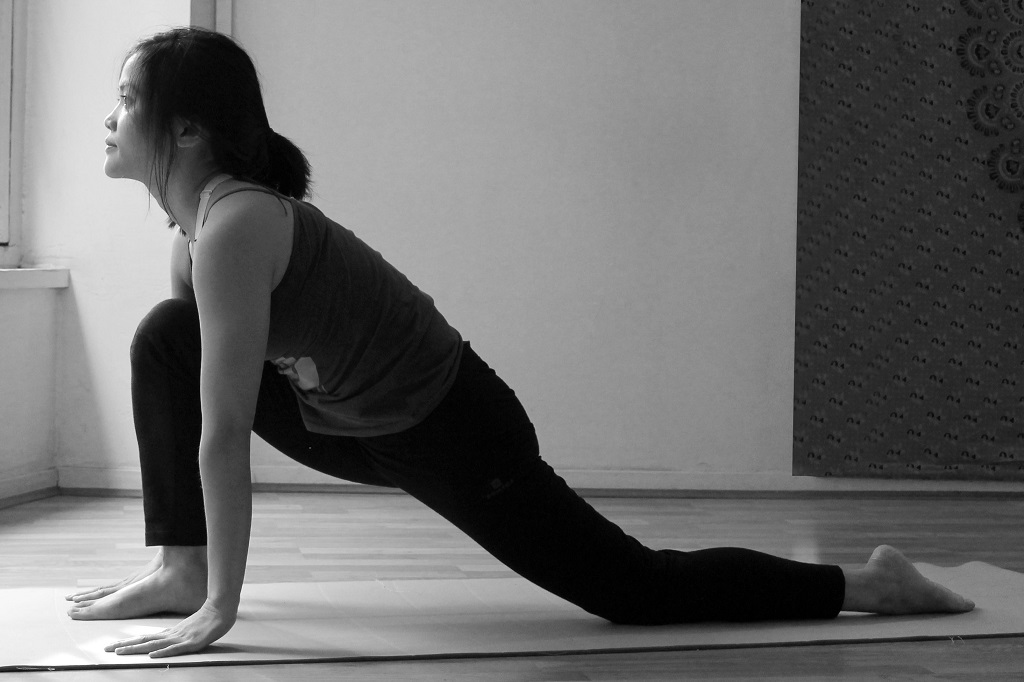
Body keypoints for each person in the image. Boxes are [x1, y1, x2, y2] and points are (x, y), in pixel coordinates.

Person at [66, 27, 974, 659]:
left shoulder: (236, 226)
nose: (111, 117)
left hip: (453, 429)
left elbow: (224, 434)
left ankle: (867, 585)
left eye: (126, 100)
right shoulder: (194, 238)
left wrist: (225, 609)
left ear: (187, 130)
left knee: (633, 590)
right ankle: (177, 566)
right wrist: (199, 571)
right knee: (168, 337)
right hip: (347, 418)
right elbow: (198, 394)